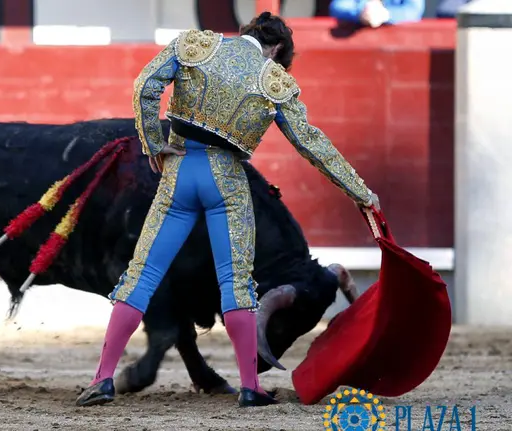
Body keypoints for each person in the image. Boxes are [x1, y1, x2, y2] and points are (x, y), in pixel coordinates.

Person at [75, 12, 380, 408]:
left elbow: (145, 85)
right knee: (235, 283)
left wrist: (153, 143)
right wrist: (361, 191)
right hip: (226, 182)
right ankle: (251, 387)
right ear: (276, 50)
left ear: (246, 34)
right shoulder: (274, 80)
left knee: (142, 275)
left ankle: (102, 379)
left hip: (179, 172)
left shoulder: (196, 46)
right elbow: (311, 143)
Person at [330, 0, 425, 27]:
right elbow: (338, 6)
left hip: (401, 50)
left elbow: (413, 11)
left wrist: (385, 15)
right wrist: (361, 12)